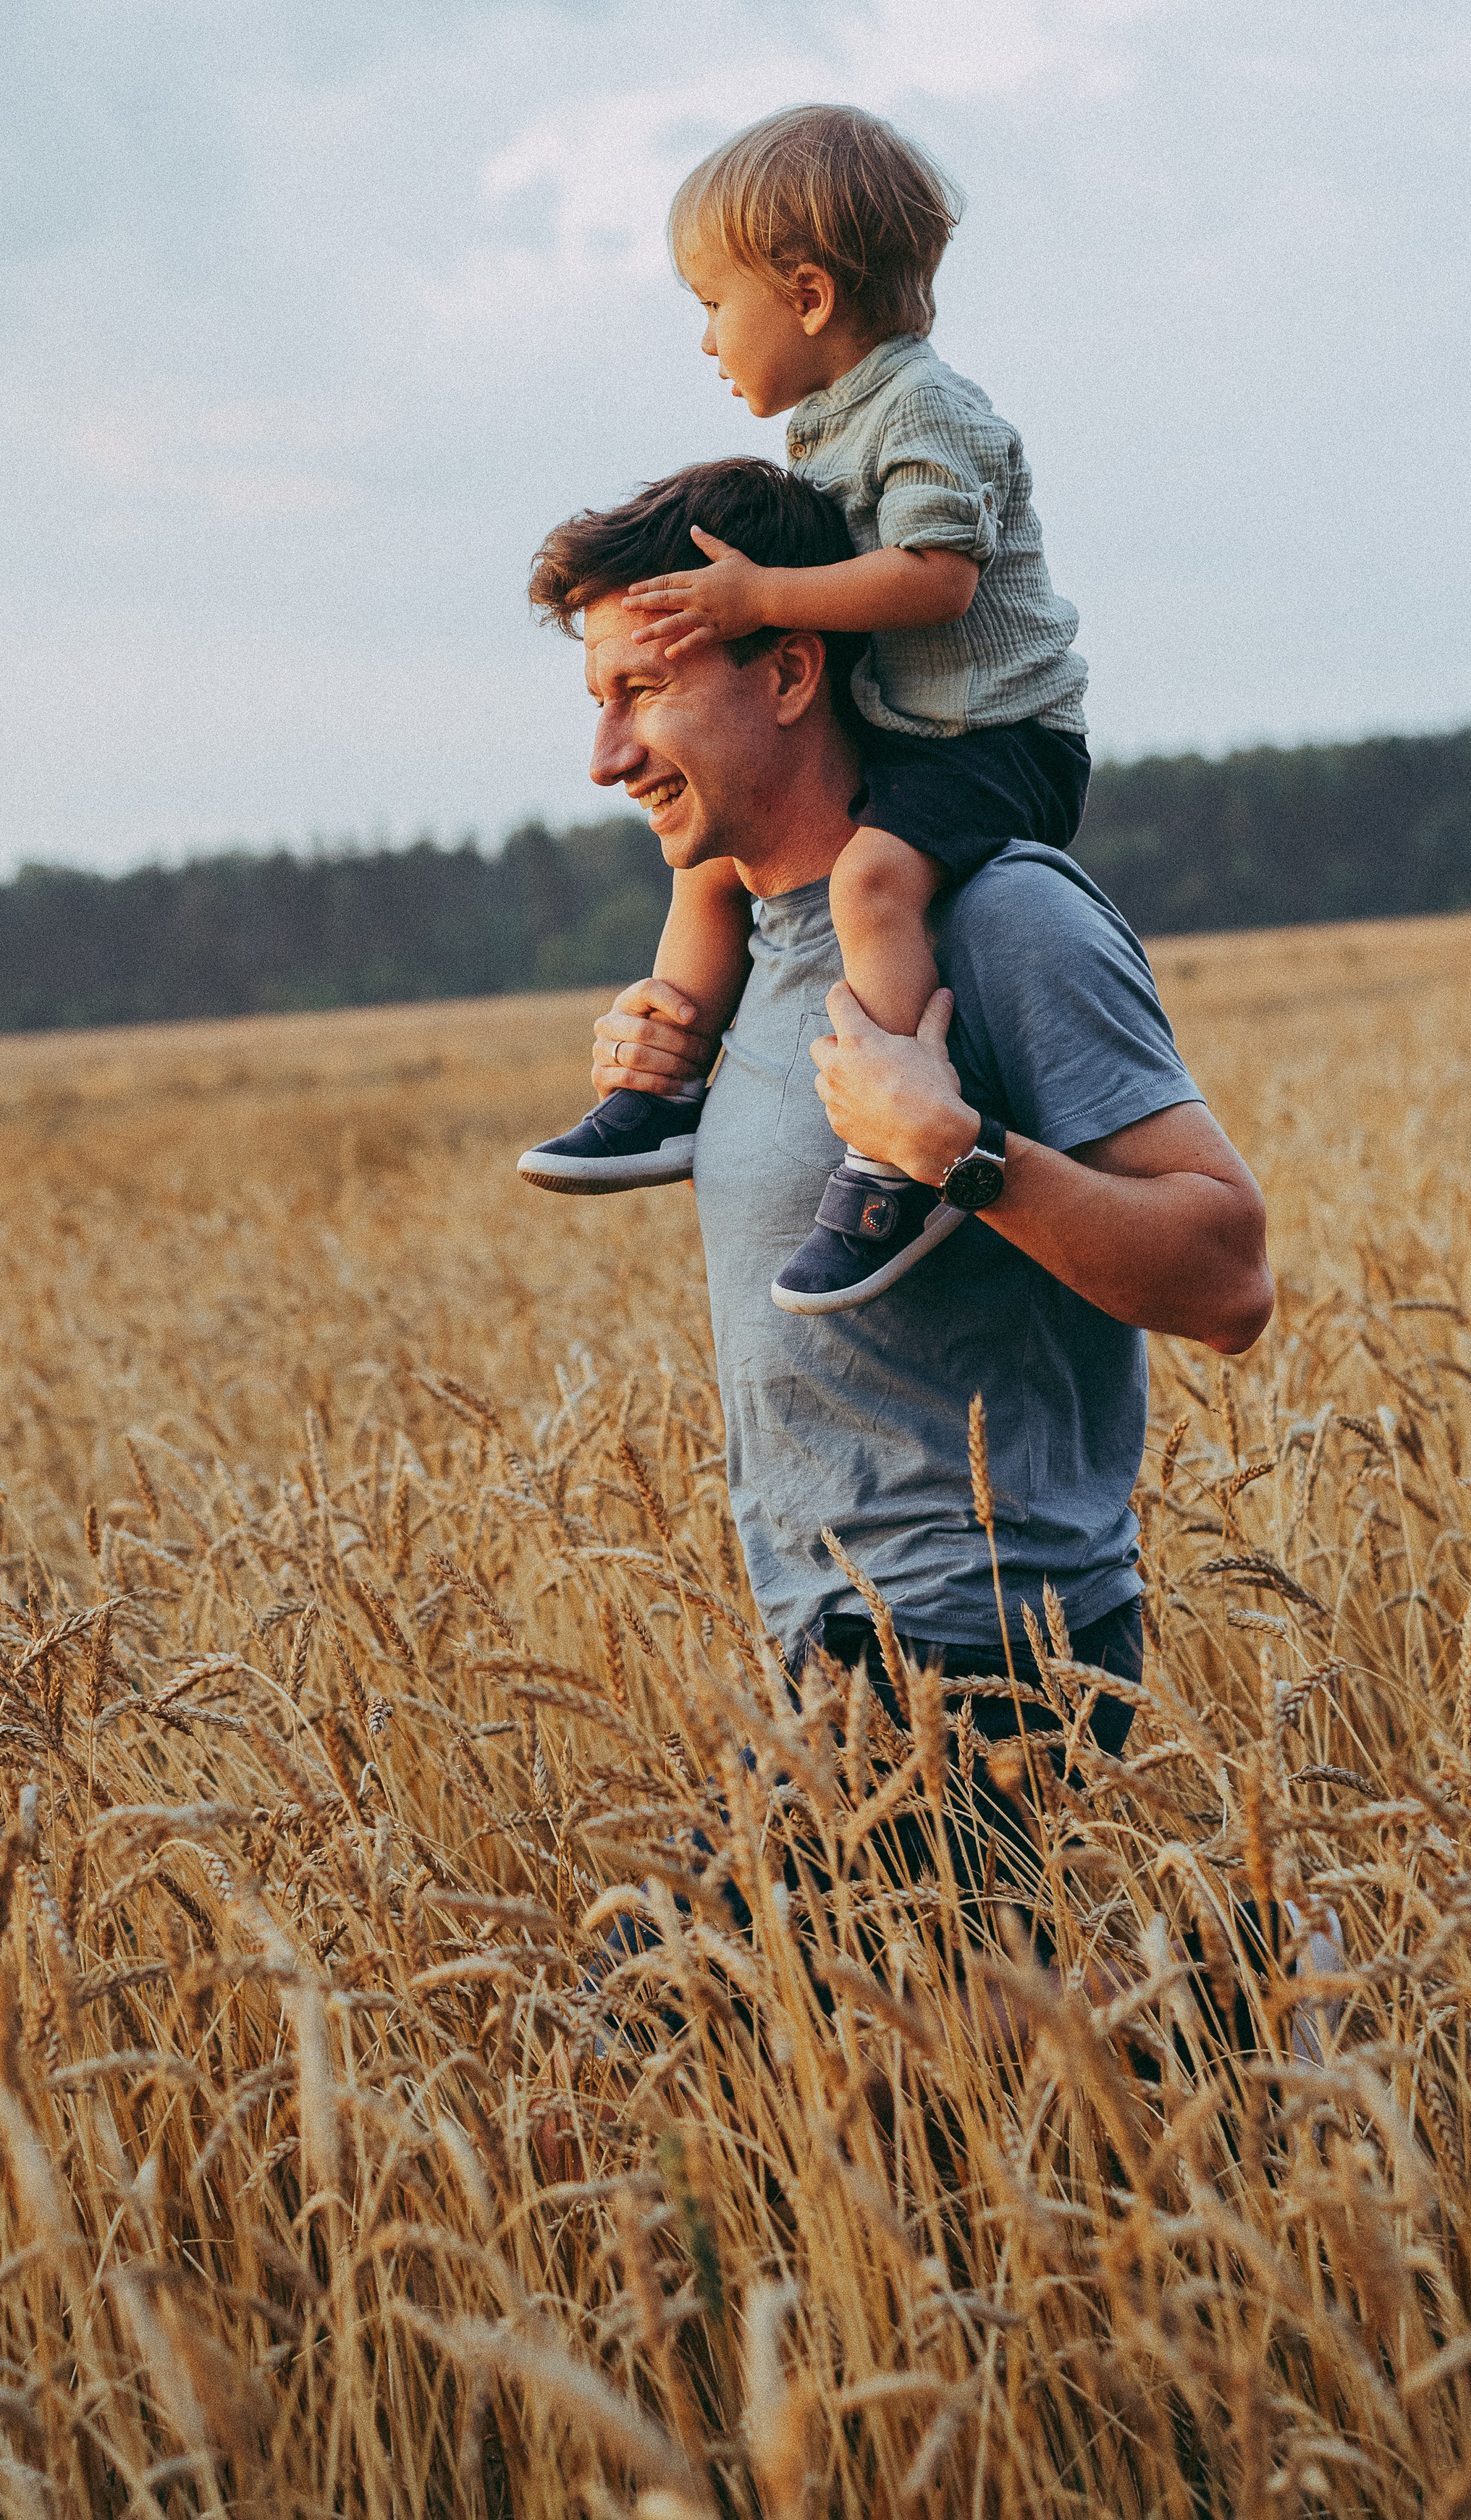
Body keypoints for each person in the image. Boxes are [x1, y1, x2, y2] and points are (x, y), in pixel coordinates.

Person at [521, 458, 1273, 1812]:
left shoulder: (1006, 919)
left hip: (994, 1652)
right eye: (598, 704)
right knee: (940, 2026)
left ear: (792, 674)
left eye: (644, 692)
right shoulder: (743, 959)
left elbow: (1228, 1277)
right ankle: (1257, 2005)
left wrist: (960, 1155)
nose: (606, 757)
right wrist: (656, 1069)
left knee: (672, 2016)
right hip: (825, 1644)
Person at [518, 103, 1090, 1316]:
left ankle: (891, 1157)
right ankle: (663, 1088)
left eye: (714, 303)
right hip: (915, 716)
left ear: (811, 294)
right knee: (710, 867)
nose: (707, 339)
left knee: (872, 884)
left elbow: (939, 577)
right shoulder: (833, 427)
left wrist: (760, 594)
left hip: (994, 736)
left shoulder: (926, 408)